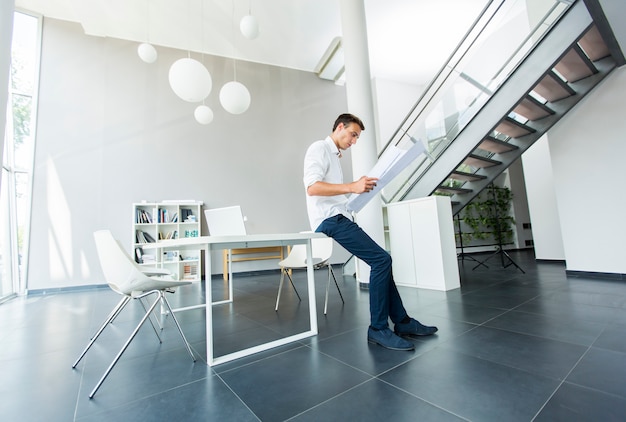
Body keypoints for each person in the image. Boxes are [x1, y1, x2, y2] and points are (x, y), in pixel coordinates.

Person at [303, 113, 438, 351]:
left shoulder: (334, 156)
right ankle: (377, 329)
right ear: (340, 127)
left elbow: (333, 192)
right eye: (353, 134)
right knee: (381, 259)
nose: (354, 141)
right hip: (330, 220)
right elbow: (312, 188)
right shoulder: (319, 148)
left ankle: (403, 322)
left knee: (382, 263)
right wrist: (352, 186)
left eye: (356, 137)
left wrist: (355, 195)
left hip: (339, 215)